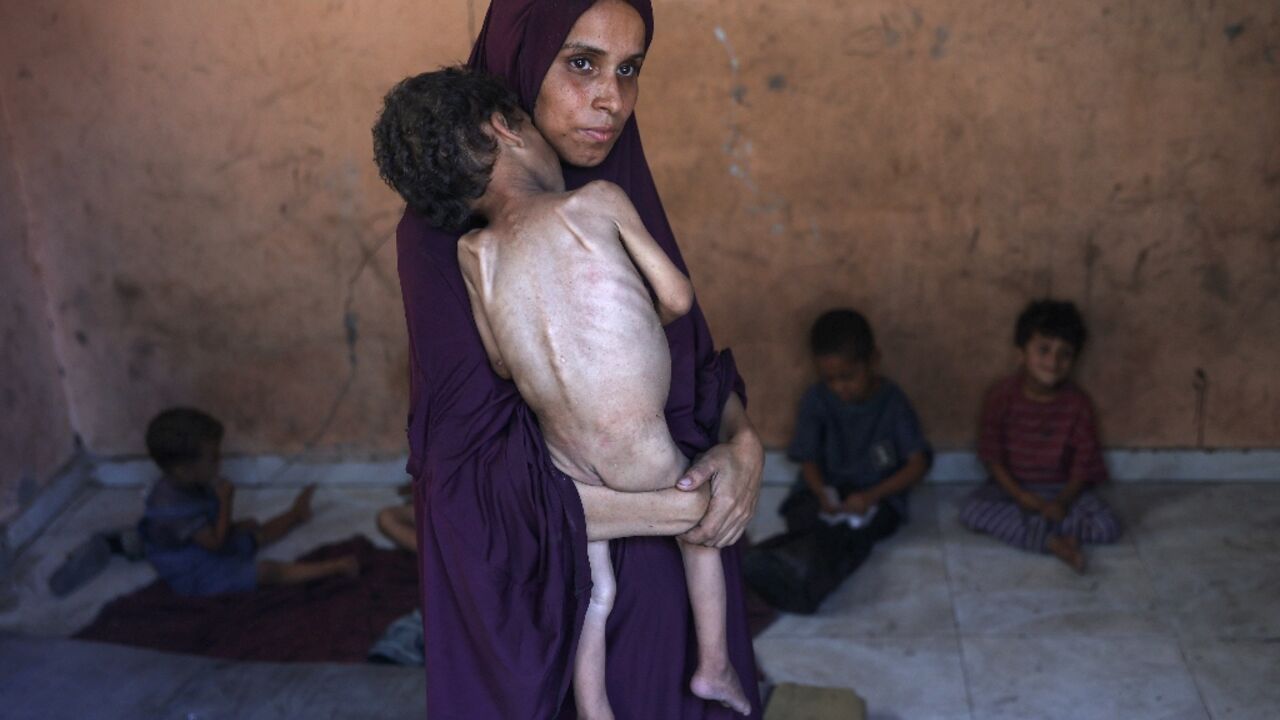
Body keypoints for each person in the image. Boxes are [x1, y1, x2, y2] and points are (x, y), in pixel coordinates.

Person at [384, 1, 764, 717]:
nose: (611, 99)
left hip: (673, 552)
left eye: (630, 70)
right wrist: (677, 507)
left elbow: (692, 364)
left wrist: (744, 446)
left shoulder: (612, 181)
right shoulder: (441, 238)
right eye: (581, 63)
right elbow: (472, 489)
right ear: (515, 77)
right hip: (555, 584)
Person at [744, 309, 930, 613]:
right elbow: (808, 459)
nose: (840, 387)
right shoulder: (817, 399)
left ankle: (800, 582)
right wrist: (822, 494)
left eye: (849, 377)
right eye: (830, 379)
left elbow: (918, 463)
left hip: (875, 498)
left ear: (873, 361)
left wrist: (870, 497)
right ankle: (768, 565)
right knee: (807, 519)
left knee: (852, 538)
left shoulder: (892, 403)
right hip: (823, 492)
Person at [959, 299, 1122, 571]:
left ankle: (1040, 532)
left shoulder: (1077, 404)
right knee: (972, 511)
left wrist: (1062, 501)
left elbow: (1084, 464)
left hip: (1061, 490)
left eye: (1065, 353)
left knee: (1108, 526)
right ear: (1021, 353)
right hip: (1013, 489)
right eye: (1043, 350)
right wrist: (1020, 495)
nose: (1053, 362)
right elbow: (991, 456)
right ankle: (1051, 541)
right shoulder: (1001, 397)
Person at [138, 408, 359, 596]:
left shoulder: (185, 480)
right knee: (265, 572)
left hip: (202, 543)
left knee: (255, 532)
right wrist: (226, 502)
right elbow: (216, 544)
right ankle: (333, 568)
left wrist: (232, 525)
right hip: (192, 569)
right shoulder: (172, 509)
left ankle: (296, 514)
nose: (220, 461)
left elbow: (209, 527)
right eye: (213, 458)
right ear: (184, 470)